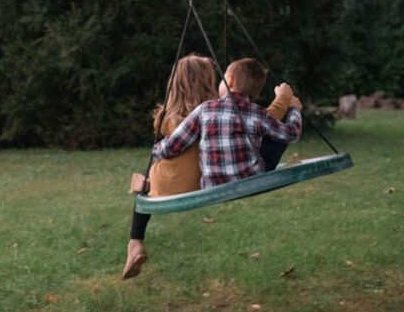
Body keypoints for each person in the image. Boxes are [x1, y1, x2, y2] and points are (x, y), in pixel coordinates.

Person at [123, 56, 300, 279]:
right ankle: (146, 191)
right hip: (214, 182)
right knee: (268, 136)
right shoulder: (225, 112)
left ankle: (135, 240)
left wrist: (156, 151)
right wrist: (286, 101)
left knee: (152, 171)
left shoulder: (175, 116)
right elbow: (270, 121)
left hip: (168, 187)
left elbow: (168, 148)